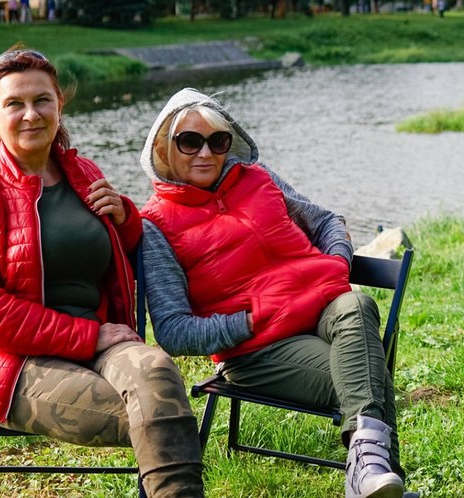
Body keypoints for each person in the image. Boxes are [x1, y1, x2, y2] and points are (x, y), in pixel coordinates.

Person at [0, 47, 203, 497]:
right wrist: (88, 336)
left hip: (100, 341)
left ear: (59, 102)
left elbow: (118, 254)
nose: (31, 114)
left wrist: (126, 218)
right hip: (11, 364)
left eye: (42, 100)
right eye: (14, 104)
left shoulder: (82, 172)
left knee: (158, 378)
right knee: (163, 420)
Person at [138, 88, 409, 498]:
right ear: (163, 148)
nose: (205, 153)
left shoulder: (258, 178)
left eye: (218, 141)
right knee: (368, 379)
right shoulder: (154, 225)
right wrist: (248, 321)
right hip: (259, 348)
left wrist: (337, 262)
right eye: (190, 141)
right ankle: (374, 476)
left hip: (324, 310)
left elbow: (326, 221)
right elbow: (174, 332)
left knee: (357, 302)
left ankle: (366, 474)